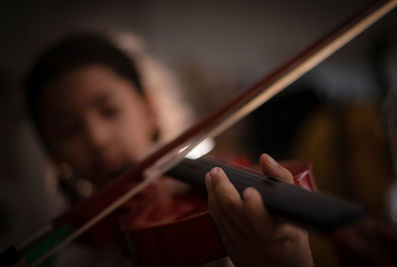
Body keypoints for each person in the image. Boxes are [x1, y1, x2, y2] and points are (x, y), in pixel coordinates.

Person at [23, 32, 313, 266]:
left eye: (110, 111)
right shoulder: (63, 253)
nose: (97, 139)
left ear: (149, 109)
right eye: (68, 130)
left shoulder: (208, 216)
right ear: (52, 151)